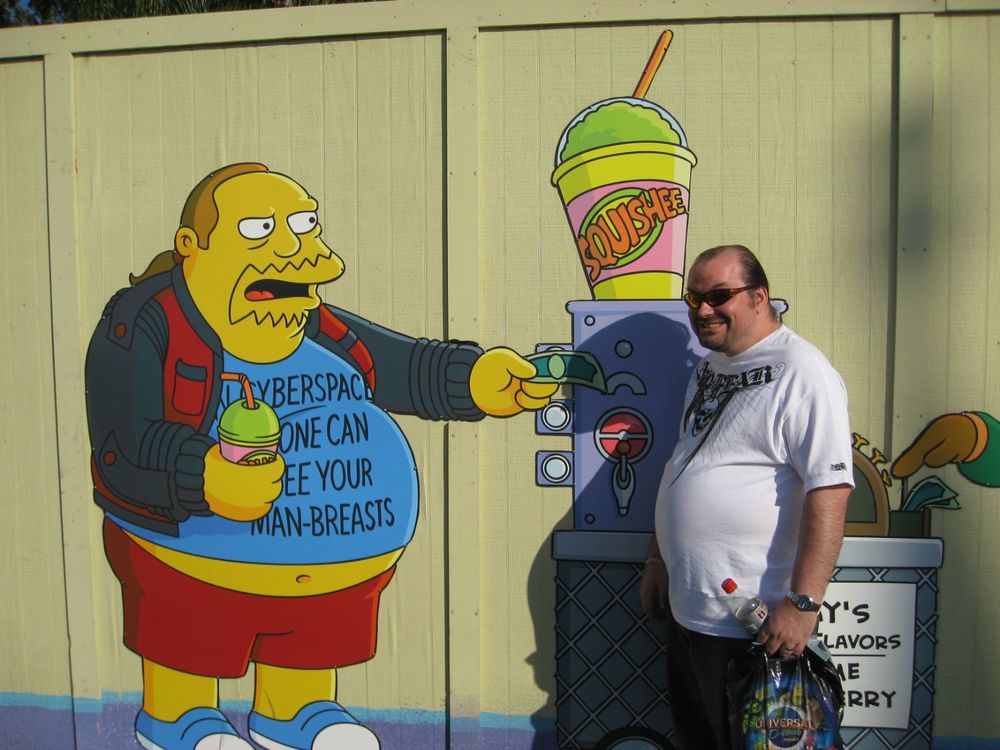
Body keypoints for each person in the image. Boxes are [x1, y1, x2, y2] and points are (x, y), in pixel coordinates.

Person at [85, 163, 557, 750]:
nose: (295, 246)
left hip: (332, 564)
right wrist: (199, 474)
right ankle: (180, 718)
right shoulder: (143, 324)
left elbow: (400, 365)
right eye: (259, 228)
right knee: (192, 627)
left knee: (307, 635)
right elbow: (122, 440)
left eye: (305, 224)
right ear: (192, 247)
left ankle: (295, 712)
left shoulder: (313, 322)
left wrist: (475, 380)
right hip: (186, 554)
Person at [639, 244, 853, 750]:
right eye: (694, 298)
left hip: (756, 627)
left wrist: (803, 605)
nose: (703, 310)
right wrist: (657, 558)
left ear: (760, 297)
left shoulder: (804, 371)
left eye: (719, 296)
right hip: (690, 611)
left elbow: (830, 489)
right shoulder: (709, 368)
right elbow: (685, 466)